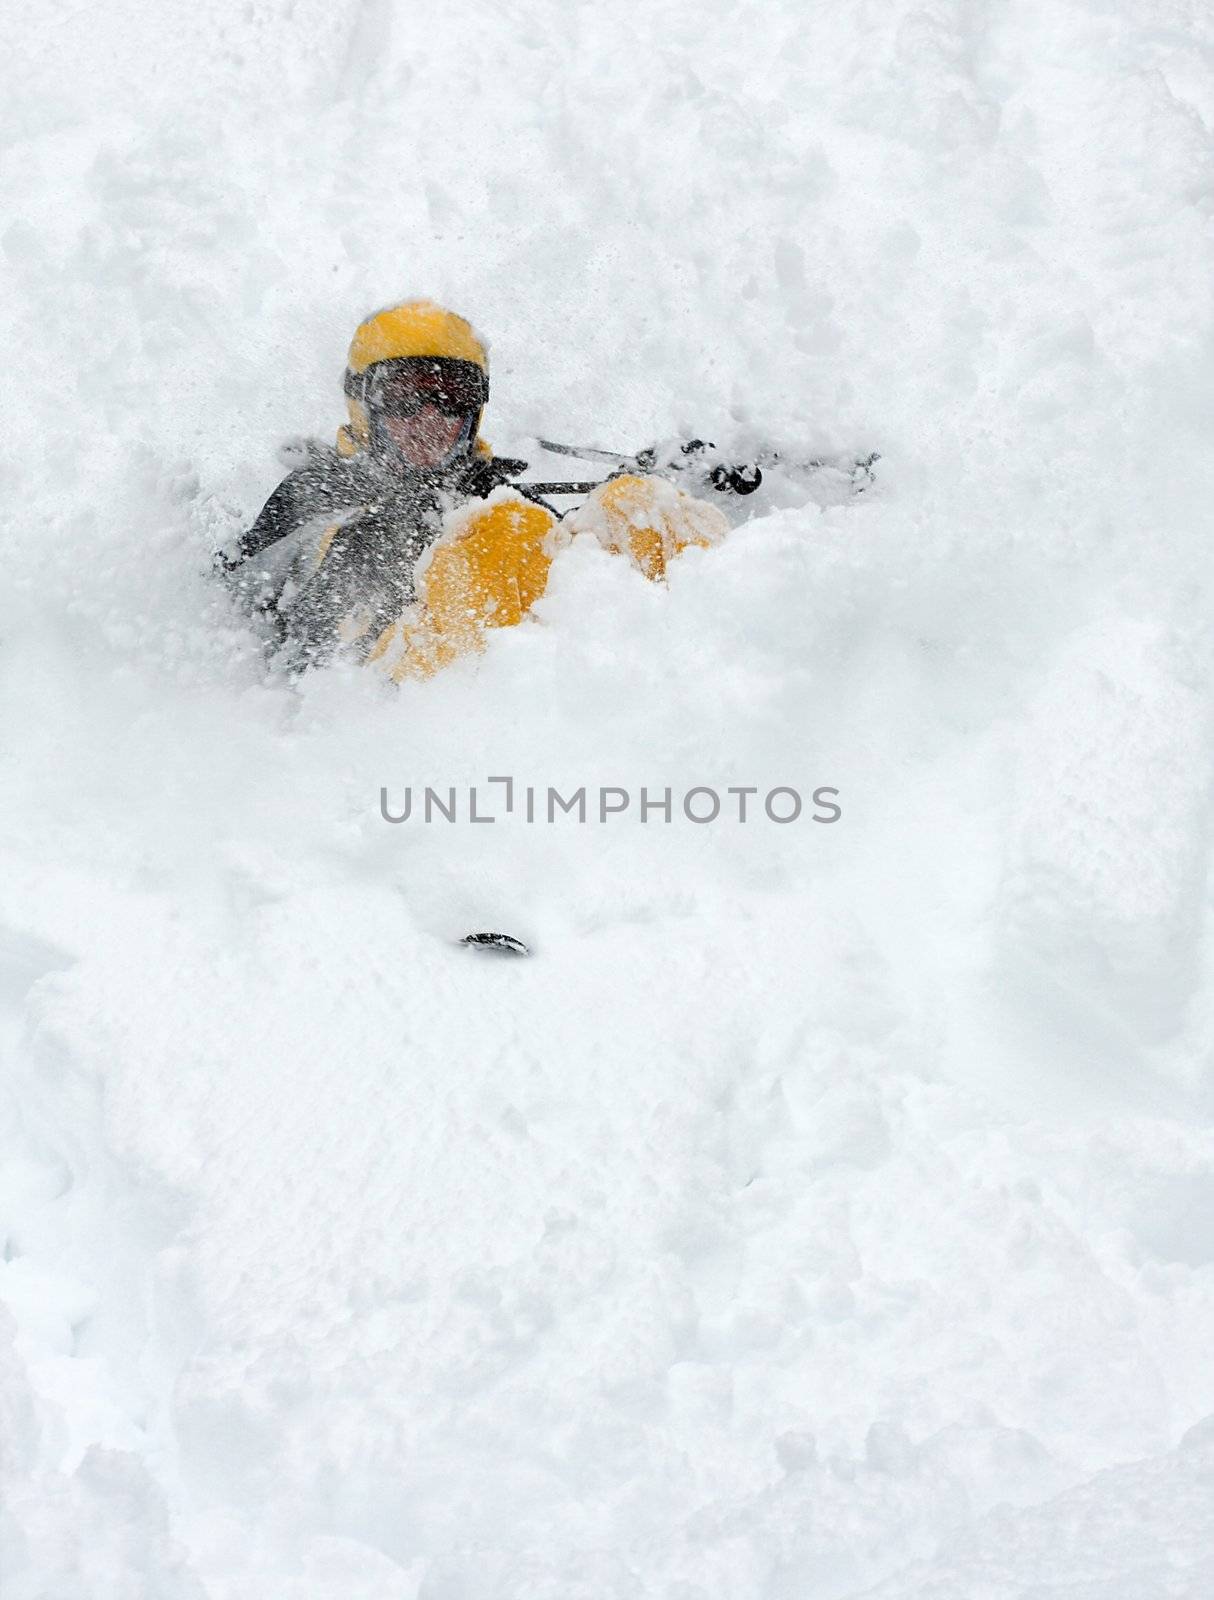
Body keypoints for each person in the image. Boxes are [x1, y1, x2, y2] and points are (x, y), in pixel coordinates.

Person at [220, 299, 731, 680]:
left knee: (638, 505)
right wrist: (385, 513)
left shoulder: (493, 494)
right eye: (404, 396)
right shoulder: (320, 490)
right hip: (369, 697)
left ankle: (707, 656)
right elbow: (247, 593)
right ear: (363, 401)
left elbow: (563, 574)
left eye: (453, 396)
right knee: (508, 529)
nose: (431, 417)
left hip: (517, 681)